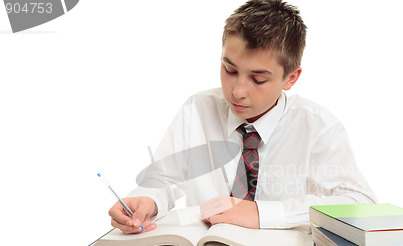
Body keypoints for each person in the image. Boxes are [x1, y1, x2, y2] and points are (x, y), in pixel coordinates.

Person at [109, 0, 376, 234]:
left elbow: (360, 204)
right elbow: (165, 181)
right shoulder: (198, 110)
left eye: (258, 79)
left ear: (291, 78)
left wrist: (262, 213)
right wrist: (146, 201)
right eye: (230, 70)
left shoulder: (317, 127)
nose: (237, 92)